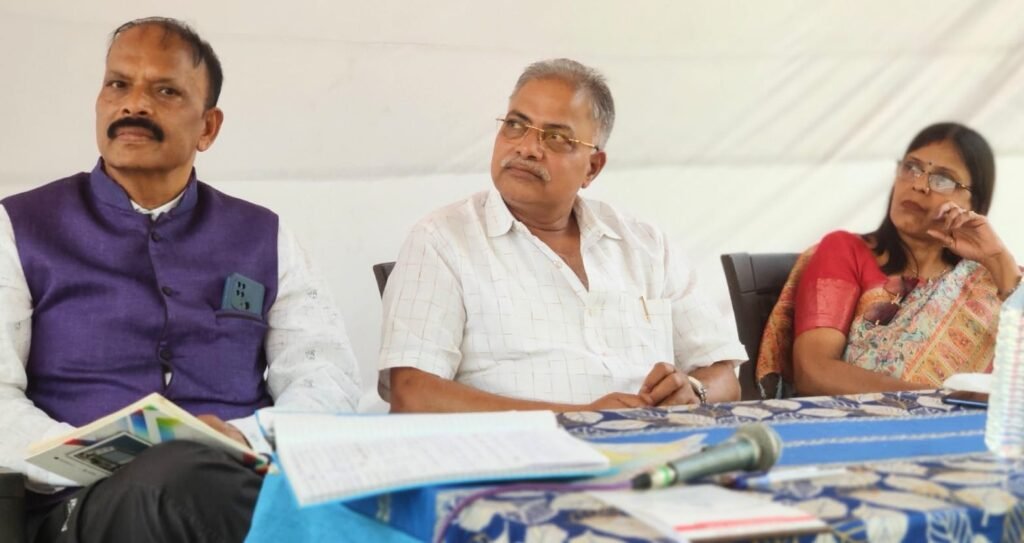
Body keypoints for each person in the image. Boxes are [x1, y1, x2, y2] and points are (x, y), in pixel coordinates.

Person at [0, 18, 361, 542]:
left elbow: (325, 380)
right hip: (86, 504)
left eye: (165, 91)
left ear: (208, 127)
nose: (134, 104)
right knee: (175, 483)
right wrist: (99, 452)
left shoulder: (265, 235)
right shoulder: (19, 227)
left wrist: (241, 438)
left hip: (240, 480)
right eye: (118, 84)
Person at [378, 59, 746, 413]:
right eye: (515, 125)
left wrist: (693, 391)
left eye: (556, 138)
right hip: (525, 451)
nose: (526, 148)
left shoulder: (646, 245)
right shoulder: (442, 240)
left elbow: (724, 377)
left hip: (656, 443)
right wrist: (579, 416)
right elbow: (413, 394)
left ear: (592, 168)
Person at [756, 123, 1022, 398]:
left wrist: (998, 259)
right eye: (912, 167)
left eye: (943, 179)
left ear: (974, 204)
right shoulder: (846, 252)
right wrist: (938, 399)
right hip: (863, 422)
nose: (918, 185)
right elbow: (814, 373)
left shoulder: (988, 279)